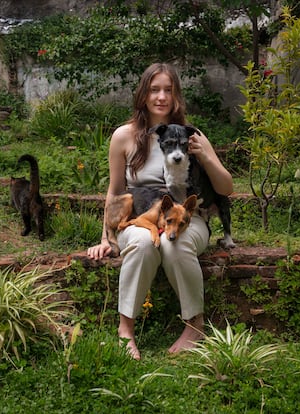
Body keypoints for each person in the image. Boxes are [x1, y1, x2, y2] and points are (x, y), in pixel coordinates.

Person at [87, 63, 233, 360]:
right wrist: (106, 236)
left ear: (177, 95)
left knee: (173, 242)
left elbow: (226, 188)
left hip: (185, 218)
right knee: (141, 243)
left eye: (168, 90)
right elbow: (115, 191)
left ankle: (195, 325)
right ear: (143, 94)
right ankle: (125, 329)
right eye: (154, 89)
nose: (161, 96)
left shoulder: (191, 135)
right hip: (141, 217)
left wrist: (205, 154)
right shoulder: (124, 137)